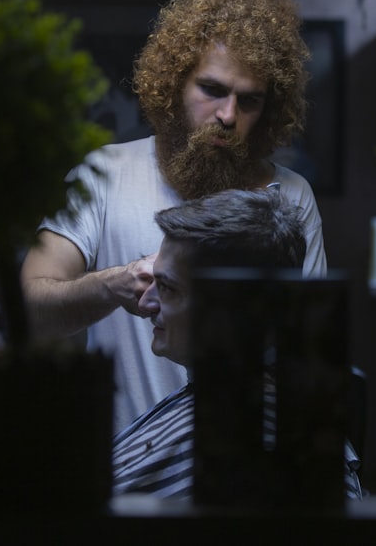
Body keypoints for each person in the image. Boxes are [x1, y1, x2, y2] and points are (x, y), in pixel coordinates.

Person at [20, 0, 327, 432]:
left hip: (240, 466)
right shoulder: (104, 174)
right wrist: (114, 285)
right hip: (123, 473)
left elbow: (311, 352)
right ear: (173, 83)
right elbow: (28, 310)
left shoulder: (290, 198)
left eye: (249, 101)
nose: (227, 115)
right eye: (212, 90)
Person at [110, 187, 362, 500]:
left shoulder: (271, 441)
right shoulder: (212, 399)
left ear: (236, 305)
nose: (146, 303)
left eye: (168, 288)